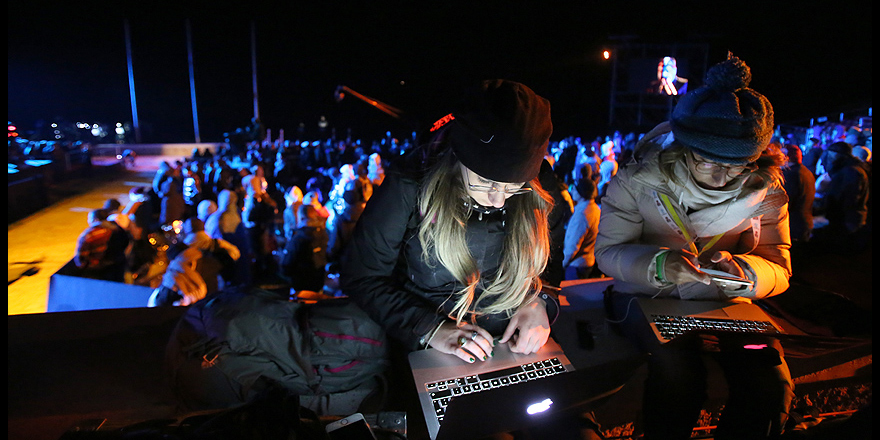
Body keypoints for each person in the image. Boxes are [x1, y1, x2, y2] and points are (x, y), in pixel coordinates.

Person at [595, 54, 794, 439]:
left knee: (768, 376)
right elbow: (608, 252)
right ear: (684, 147)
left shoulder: (768, 193)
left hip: (727, 304)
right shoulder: (638, 182)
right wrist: (658, 264)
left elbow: (779, 266)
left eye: (736, 166)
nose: (720, 177)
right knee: (677, 372)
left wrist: (747, 273)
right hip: (649, 296)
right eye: (706, 162)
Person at [340, 79, 564, 364]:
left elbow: (552, 257)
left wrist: (541, 300)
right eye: (485, 181)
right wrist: (431, 329)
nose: (498, 200)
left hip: (513, 346)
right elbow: (363, 275)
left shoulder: (539, 184)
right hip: (430, 348)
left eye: (512, 186)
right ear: (459, 155)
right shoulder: (410, 183)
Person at [564, 172, 601, 279]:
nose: (572, 191)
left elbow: (573, 244)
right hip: (588, 261)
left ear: (582, 192)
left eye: (575, 189)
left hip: (577, 265)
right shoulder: (594, 208)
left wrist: (563, 262)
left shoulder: (582, 214)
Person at [781, 143, 816, 243]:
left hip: (793, 226)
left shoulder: (791, 175)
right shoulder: (806, 172)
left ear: (786, 158)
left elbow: (786, 202)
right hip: (804, 223)